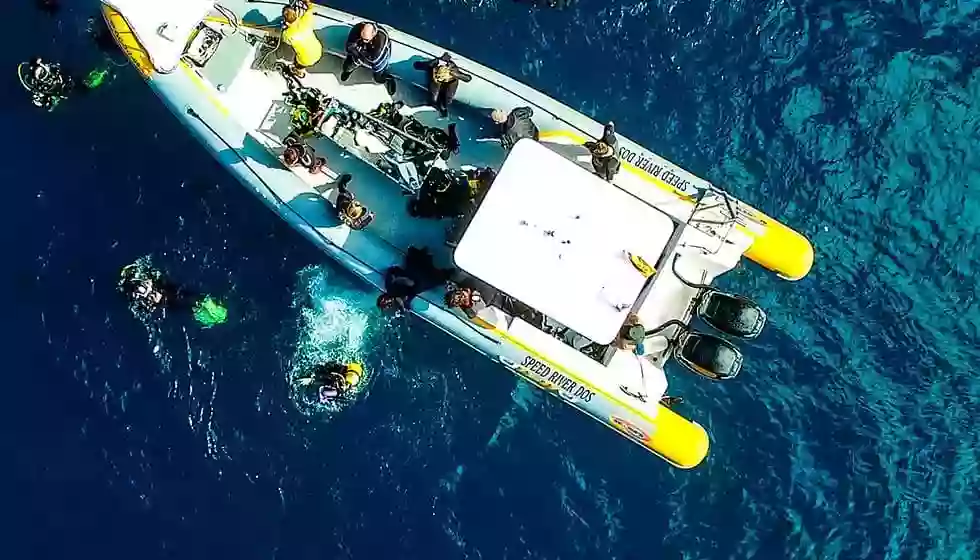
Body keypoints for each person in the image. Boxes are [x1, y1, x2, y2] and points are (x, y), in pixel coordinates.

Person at [376, 247, 451, 312]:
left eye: (385, 302)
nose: (388, 302)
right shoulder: (396, 296)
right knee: (432, 279)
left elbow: (394, 273)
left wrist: (402, 278)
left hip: (413, 279)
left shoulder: (390, 288)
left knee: (426, 274)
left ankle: (445, 273)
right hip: (415, 285)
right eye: (387, 304)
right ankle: (445, 273)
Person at [342, 22, 396, 95]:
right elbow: (349, 47)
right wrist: (360, 52)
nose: (364, 41)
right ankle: (348, 72)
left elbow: (373, 59)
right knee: (347, 67)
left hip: (379, 60)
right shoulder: (357, 28)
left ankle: (388, 79)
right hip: (360, 56)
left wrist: (358, 49)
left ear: (374, 34)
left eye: (366, 39)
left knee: (378, 78)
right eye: (362, 38)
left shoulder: (381, 39)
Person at [413, 53, 472, 117]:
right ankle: (433, 106)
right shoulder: (434, 66)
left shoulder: (453, 69)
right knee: (433, 99)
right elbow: (416, 65)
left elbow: (468, 78)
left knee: (447, 101)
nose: (442, 76)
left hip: (450, 84)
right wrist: (430, 63)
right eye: (440, 74)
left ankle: (443, 110)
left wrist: (456, 74)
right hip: (436, 83)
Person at [280, 0, 322, 79]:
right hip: (318, 52)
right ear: (296, 14)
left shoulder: (287, 34)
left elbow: (285, 40)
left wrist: (286, 27)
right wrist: (306, 1)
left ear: (286, 21)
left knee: (297, 61)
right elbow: (311, 8)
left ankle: (298, 71)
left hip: (306, 60)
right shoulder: (306, 19)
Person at [297, 362, 363, 403]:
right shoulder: (338, 378)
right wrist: (312, 379)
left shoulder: (342, 387)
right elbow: (329, 377)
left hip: (351, 372)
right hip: (348, 370)